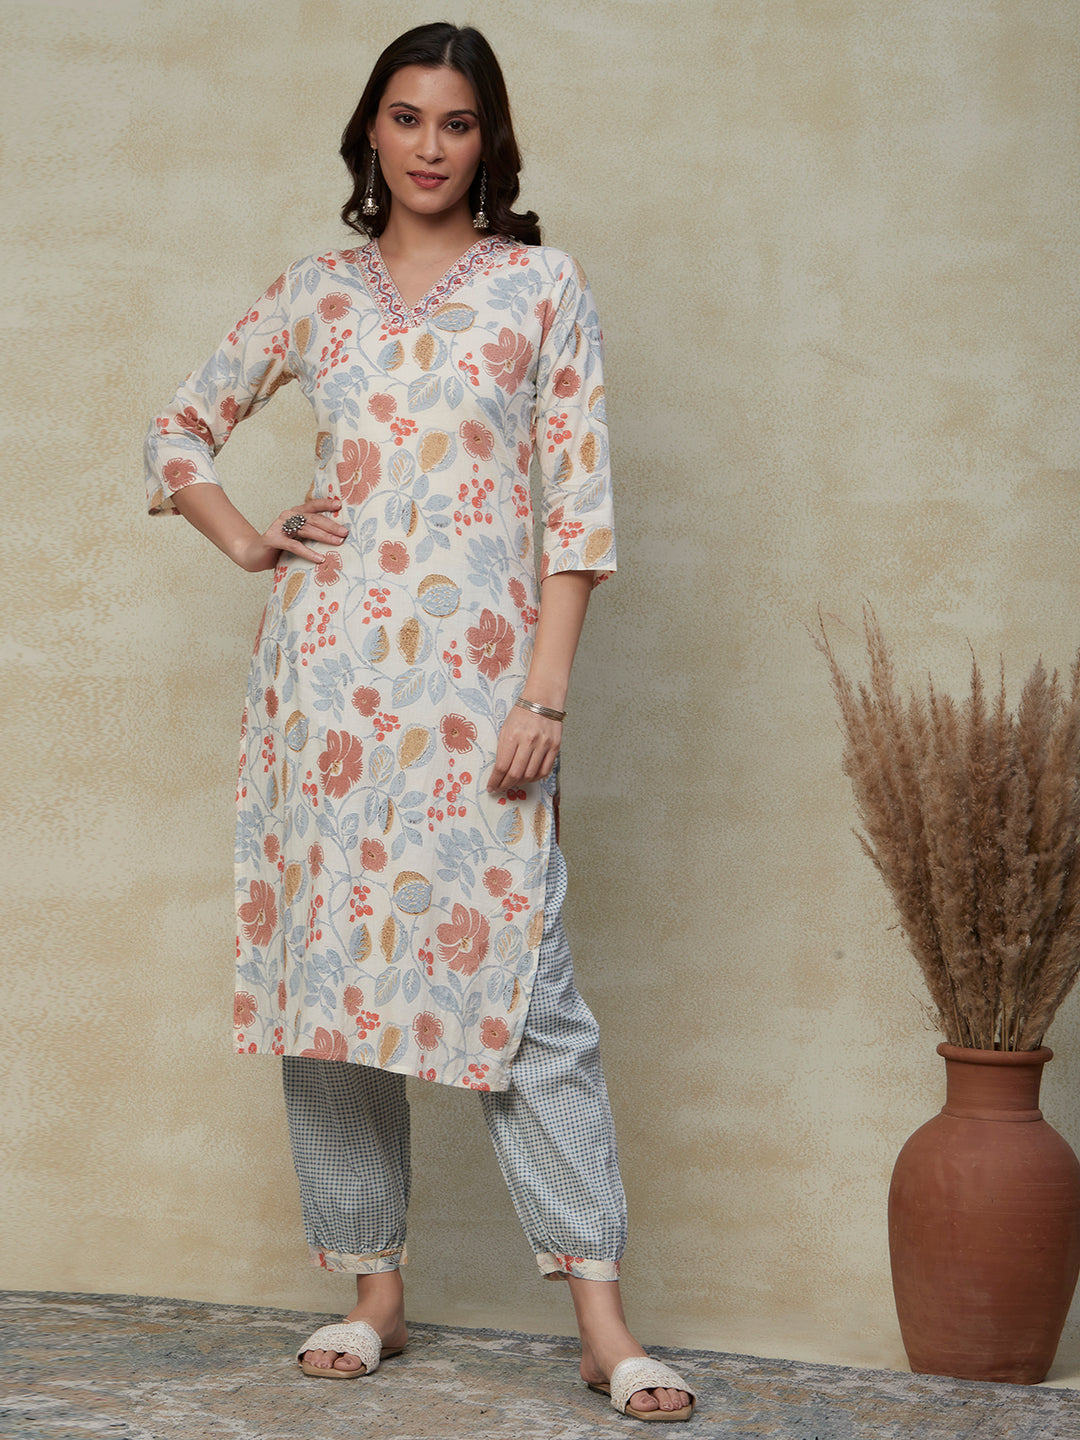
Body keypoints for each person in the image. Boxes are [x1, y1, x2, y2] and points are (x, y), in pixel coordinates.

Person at [144, 22, 694, 1422]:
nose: (431, 146)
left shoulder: (540, 288)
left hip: (481, 702)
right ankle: (372, 1293)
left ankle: (603, 1324)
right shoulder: (318, 293)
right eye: (407, 117)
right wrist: (251, 541)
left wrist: (544, 693)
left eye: (457, 122)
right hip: (324, 693)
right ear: (371, 132)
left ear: (488, 140)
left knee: (530, 1000)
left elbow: (578, 509)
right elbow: (180, 432)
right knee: (329, 999)